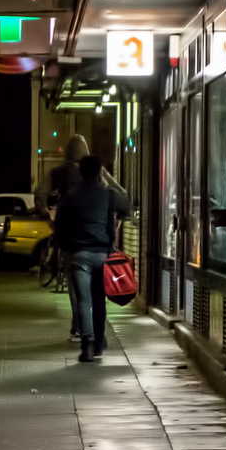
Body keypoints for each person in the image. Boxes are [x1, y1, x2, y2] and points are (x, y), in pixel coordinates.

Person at [53, 154, 131, 363]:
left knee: (83, 300)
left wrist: (65, 248)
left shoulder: (70, 196)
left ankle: (86, 345)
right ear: (99, 172)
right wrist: (110, 247)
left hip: (78, 254)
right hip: (101, 254)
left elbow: (60, 228)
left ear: (81, 171)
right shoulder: (108, 195)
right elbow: (110, 226)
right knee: (99, 299)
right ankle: (99, 341)